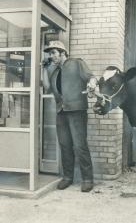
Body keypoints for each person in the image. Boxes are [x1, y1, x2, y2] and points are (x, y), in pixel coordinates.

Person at [42, 40, 97, 192]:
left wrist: (92, 83)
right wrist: (44, 68)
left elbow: (91, 77)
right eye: (50, 54)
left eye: (54, 53)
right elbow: (47, 87)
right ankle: (67, 177)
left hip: (77, 110)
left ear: (63, 52)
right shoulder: (53, 72)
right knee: (65, 145)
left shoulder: (77, 63)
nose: (52, 56)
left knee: (80, 145)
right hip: (61, 112)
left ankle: (87, 179)